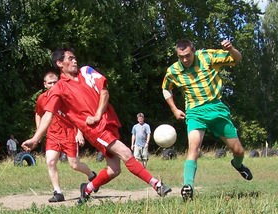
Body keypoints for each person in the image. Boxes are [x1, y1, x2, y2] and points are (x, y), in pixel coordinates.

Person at [22, 48, 171, 203]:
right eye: (70, 58)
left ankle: (87, 189)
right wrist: (35, 138)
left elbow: (104, 92)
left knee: (114, 170)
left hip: (109, 122)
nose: (75, 61)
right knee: (126, 152)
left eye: (75, 58)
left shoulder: (86, 71)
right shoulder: (59, 88)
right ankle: (157, 185)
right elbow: (47, 114)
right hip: (95, 130)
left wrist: (98, 114)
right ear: (60, 63)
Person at [162, 39, 252, 201]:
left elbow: (237, 59)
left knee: (238, 151)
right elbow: (166, 89)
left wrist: (231, 49)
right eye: (180, 57)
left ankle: (238, 165)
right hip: (195, 112)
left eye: (187, 55)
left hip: (217, 109)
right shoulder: (173, 71)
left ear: (194, 51)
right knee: (193, 148)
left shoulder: (207, 57)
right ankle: (187, 186)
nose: (184, 60)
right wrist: (174, 109)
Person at [35, 71, 97, 203]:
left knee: (74, 165)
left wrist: (79, 133)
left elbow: (79, 115)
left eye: (55, 82)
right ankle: (58, 192)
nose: (53, 85)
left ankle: (92, 176)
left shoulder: (67, 97)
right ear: (45, 84)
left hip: (69, 134)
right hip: (52, 135)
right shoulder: (42, 98)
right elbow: (38, 114)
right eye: (50, 83)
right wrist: (38, 133)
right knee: (50, 162)